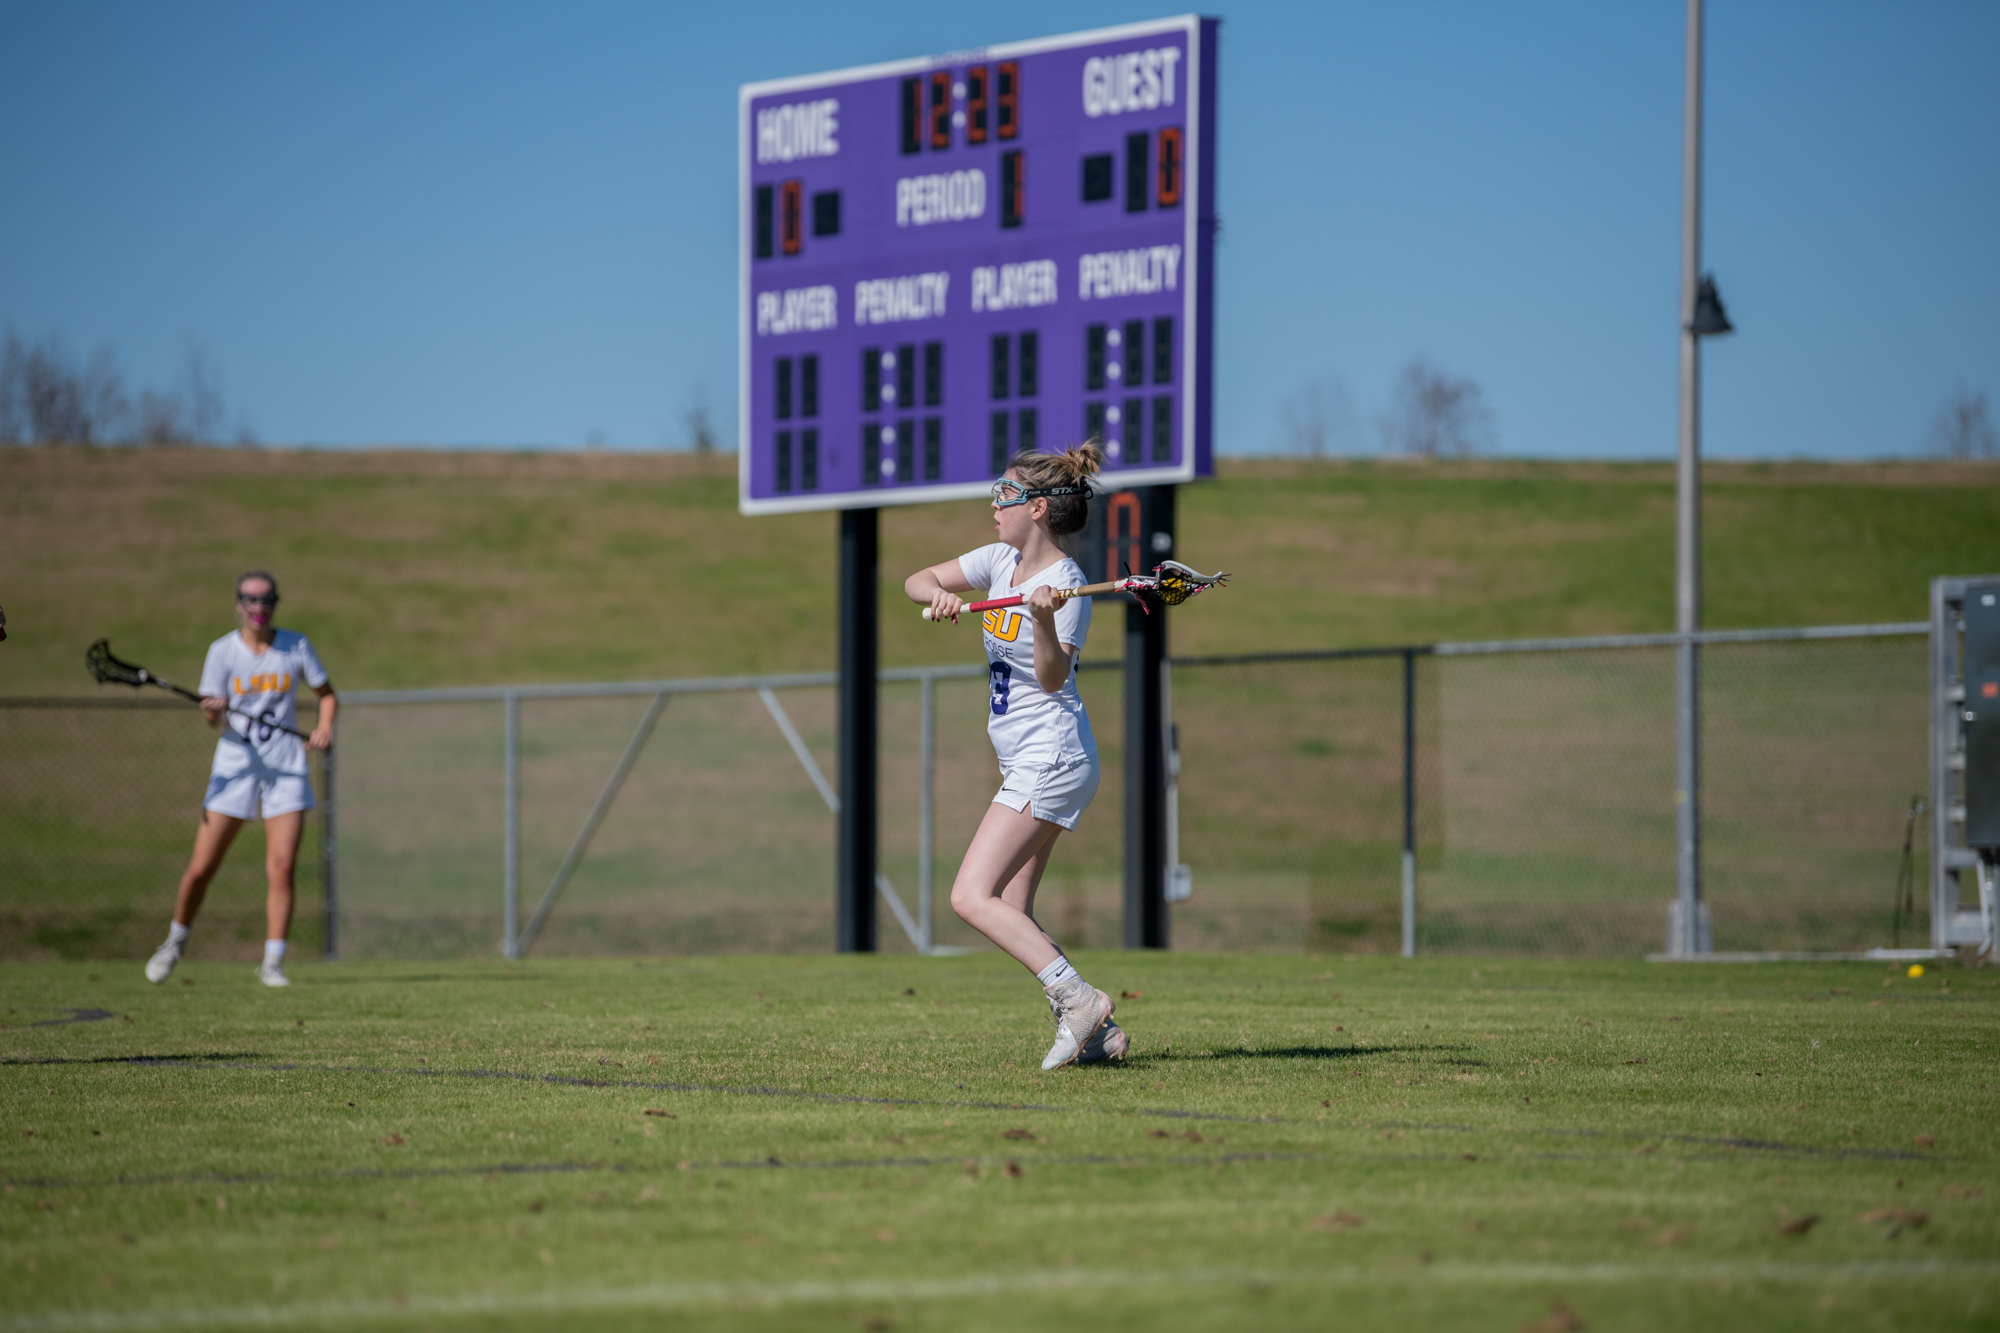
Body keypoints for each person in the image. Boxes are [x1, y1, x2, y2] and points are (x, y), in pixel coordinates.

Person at [904, 442, 1129, 1069]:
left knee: (970, 896)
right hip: (1032, 757)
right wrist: (942, 596)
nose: (992, 507)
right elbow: (916, 580)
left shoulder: (1068, 586)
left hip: (1052, 756)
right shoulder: (998, 559)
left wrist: (1045, 624)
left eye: (1002, 496)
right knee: (1012, 911)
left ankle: (1079, 1000)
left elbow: (1054, 678)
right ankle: (1100, 1033)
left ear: (1035, 509)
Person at [145, 571, 335, 988]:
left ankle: (273, 961)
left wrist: (323, 728)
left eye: (266, 600)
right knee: (200, 868)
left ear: (275, 603)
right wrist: (213, 709)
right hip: (235, 769)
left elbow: (327, 695)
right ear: (237, 604)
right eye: (249, 600)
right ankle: (175, 941)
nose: (258, 607)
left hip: (285, 767)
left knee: (282, 867)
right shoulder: (222, 652)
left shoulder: (295, 645)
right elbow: (215, 721)